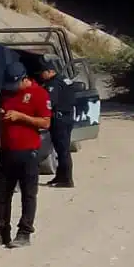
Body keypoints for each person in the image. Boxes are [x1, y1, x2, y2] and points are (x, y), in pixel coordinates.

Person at [0, 61, 51, 248]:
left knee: (28, 195)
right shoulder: (6, 93)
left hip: (28, 151)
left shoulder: (39, 94)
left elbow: (45, 123)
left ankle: (24, 232)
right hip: (6, 150)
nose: (13, 89)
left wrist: (21, 117)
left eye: (16, 84)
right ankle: (1, 232)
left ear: (25, 79)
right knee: (1, 194)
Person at [37, 60, 78, 188]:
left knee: (62, 150)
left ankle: (67, 180)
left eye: (43, 73)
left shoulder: (54, 84)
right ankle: (60, 176)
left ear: (50, 71)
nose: (41, 75)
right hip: (66, 117)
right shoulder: (64, 80)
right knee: (61, 149)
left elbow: (49, 102)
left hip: (59, 119)